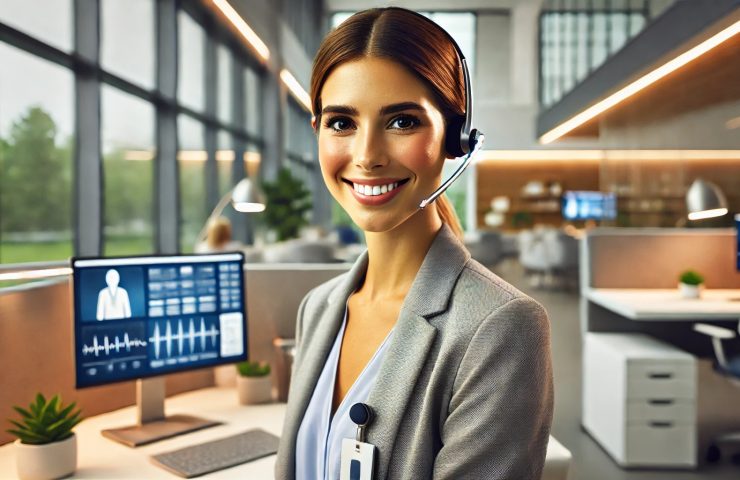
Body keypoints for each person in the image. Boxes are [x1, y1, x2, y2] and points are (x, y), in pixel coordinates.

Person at [276, 7, 553, 479]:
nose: (367, 157)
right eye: (342, 123)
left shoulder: (501, 328)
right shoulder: (318, 308)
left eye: (402, 122)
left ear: (456, 138)